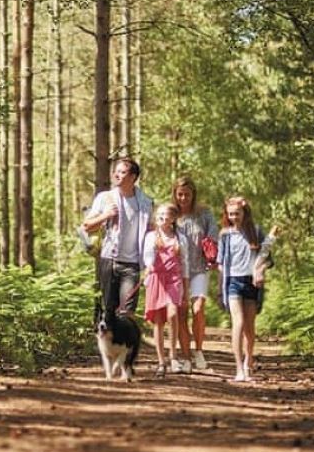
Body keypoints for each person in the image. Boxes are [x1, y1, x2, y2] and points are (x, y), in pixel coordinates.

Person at [81, 158, 154, 317]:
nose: (117, 175)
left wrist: (152, 261)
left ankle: (124, 342)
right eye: (116, 171)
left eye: (122, 172)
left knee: (126, 313)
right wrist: (105, 215)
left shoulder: (146, 203)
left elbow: (151, 232)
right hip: (108, 260)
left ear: (133, 177)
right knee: (107, 311)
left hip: (132, 265)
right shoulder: (105, 198)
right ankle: (105, 341)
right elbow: (86, 226)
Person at [218, 196, 275, 382]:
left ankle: (248, 361)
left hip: (252, 283)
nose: (234, 217)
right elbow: (220, 262)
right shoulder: (225, 235)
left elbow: (268, 259)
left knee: (249, 327)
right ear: (227, 215)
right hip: (233, 281)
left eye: (237, 213)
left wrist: (260, 270)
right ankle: (238, 368)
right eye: (231, 214)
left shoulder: (255, 232)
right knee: (238, 322)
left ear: (244, 212)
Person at [172, 175, 218, 372]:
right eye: (180, 194)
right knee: (181, 312)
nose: (184, 198)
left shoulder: (204, 214)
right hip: (177, 270)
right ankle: (186, 357)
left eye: (187, 195)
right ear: (175, 195)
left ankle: (199, 351)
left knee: (198, 309)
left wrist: (213, 253)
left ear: (193, 195)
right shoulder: (171, 215)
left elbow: (214, 236)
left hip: (199, 267)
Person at [142, 203, 186, 377]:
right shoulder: (151, 236)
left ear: (173, 219)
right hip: (156, 278)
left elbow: (185, 262)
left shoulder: (180, 238)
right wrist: (149, 265)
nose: (162, 218)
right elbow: (147, 256)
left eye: (166, 216)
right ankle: (161, 361)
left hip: (174, 278)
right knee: (159, 320)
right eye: (159, 215)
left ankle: (173, 356)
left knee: (173, 314)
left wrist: (186, 285)